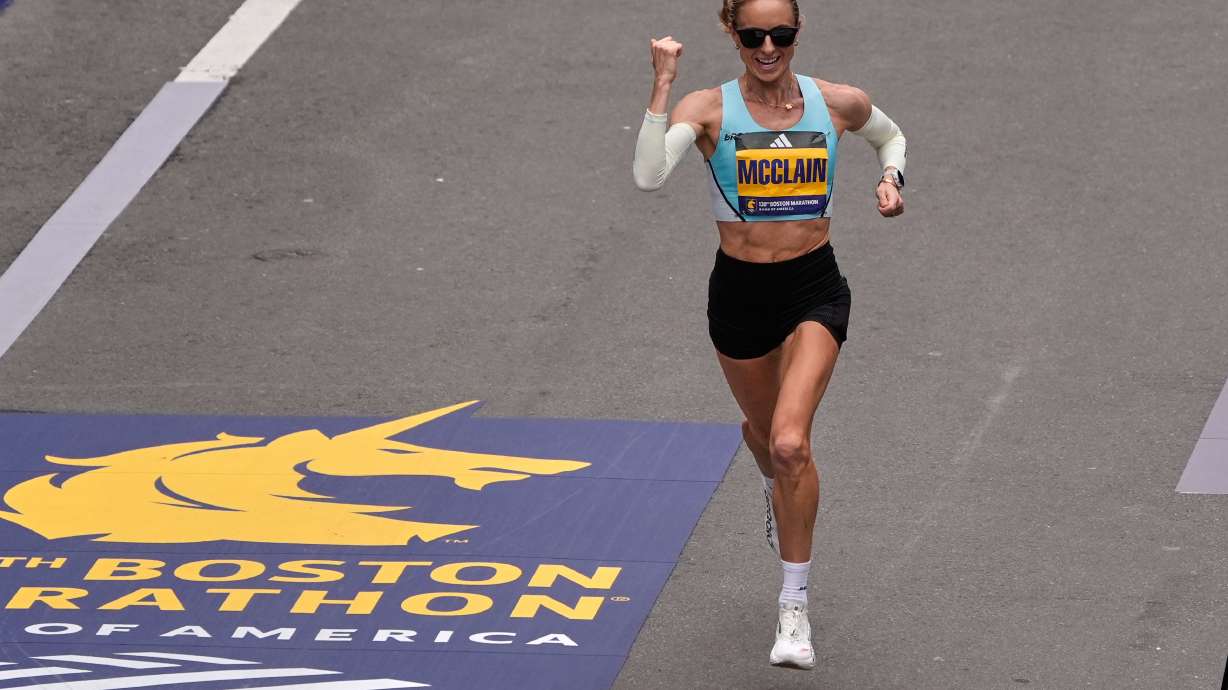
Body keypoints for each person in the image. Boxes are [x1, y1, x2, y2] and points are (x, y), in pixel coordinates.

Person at [631, 0, 906, 670]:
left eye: (779, 34)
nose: (766, 46)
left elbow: (891, 138)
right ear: (732, 33)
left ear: (797, 33)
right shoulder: (709, 110)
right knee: (762, 436)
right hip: (739, 299)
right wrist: (663, 86)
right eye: (752, 34)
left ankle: (793, 608)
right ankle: (776, 489)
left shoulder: (837, 103)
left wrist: (892, 178)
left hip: (813, 288)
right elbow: (647, 174)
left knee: (790, 442)